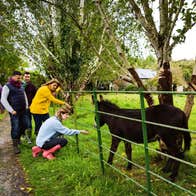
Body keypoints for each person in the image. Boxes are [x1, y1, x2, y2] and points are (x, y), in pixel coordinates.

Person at [1, 71, 28, 154]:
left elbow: (24, 95)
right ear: (12, 76)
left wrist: (26, 105)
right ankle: (15, 145)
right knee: (15, 127)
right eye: (17, 77)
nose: (19, 79)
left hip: (23, 110)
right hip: (14, 111)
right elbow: (3, 99)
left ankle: (19, 138)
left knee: (25, 125)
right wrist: (11, 110)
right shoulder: (7, 86)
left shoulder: (20, 86)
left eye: (20, 77)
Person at [22, 71, 37, 143]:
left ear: (30, 77)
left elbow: (36, 97)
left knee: (37, 121)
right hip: (24, 108)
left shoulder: (33, 86)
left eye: (28, 77)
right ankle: (28, 137)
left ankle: (37, 135)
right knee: (28, 123)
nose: (27, 78)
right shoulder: (20, 85)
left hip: (33, 107)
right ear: (23, 77)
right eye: (25, 76)